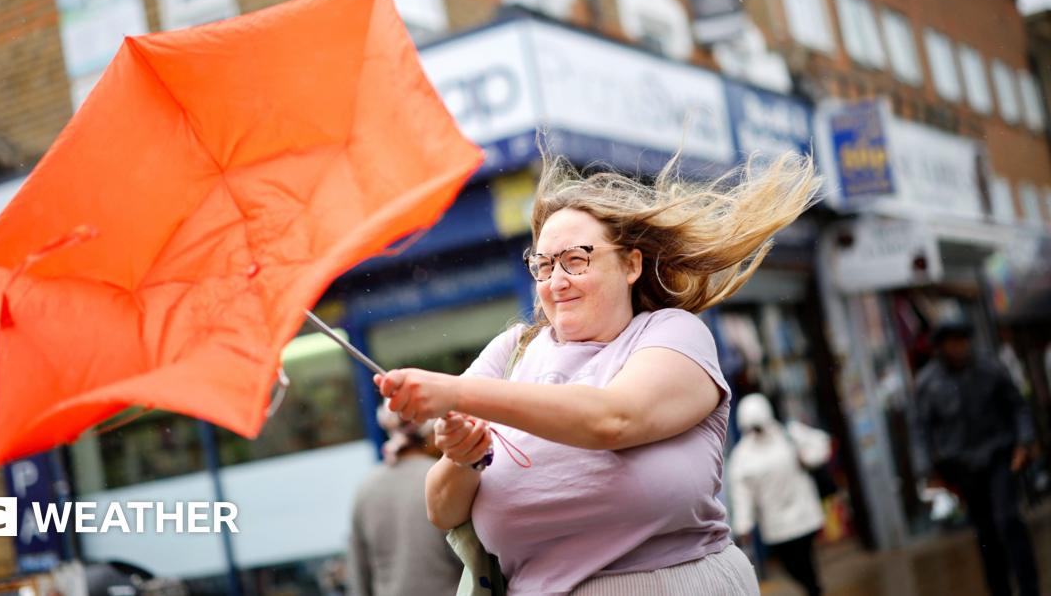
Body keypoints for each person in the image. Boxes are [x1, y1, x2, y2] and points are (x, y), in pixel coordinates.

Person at [373, 150, 820, 594]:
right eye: (543, 266)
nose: (556, 281)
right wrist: (462, 457)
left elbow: (613, 419)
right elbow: (440, 508)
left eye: (577, 259)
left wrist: (457, 393)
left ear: (631, 264)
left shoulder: (672, 333)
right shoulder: (510, 352)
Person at [913, 320, 1039, 596]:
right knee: (986, 532)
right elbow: (921, 429)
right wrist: (927, 471)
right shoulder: (928, 383)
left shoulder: (989, 368)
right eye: (952, 342)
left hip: (999, 455)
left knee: (1007, 519)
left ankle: (1030, 587)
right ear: (941, 346)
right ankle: (999, 588)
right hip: (963, 467)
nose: (959, 348)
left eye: (962, 341)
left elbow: (1018, 406)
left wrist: (1024, 442)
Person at [347, 405, 463, 596]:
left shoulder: (366, 490)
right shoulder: (443, 479)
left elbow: (359, 574)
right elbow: (469, 557)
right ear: (429, 431)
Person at [728, 393, 831, 596]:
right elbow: (742, 496)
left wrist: (808, 457)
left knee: (805, 561)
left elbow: (821, 443)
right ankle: (813, 589)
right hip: (776, 526)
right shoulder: (742, 456)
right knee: (792, 566)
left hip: (804, 516)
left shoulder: (789, 434)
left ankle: (814, 589)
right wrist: (743, 526)